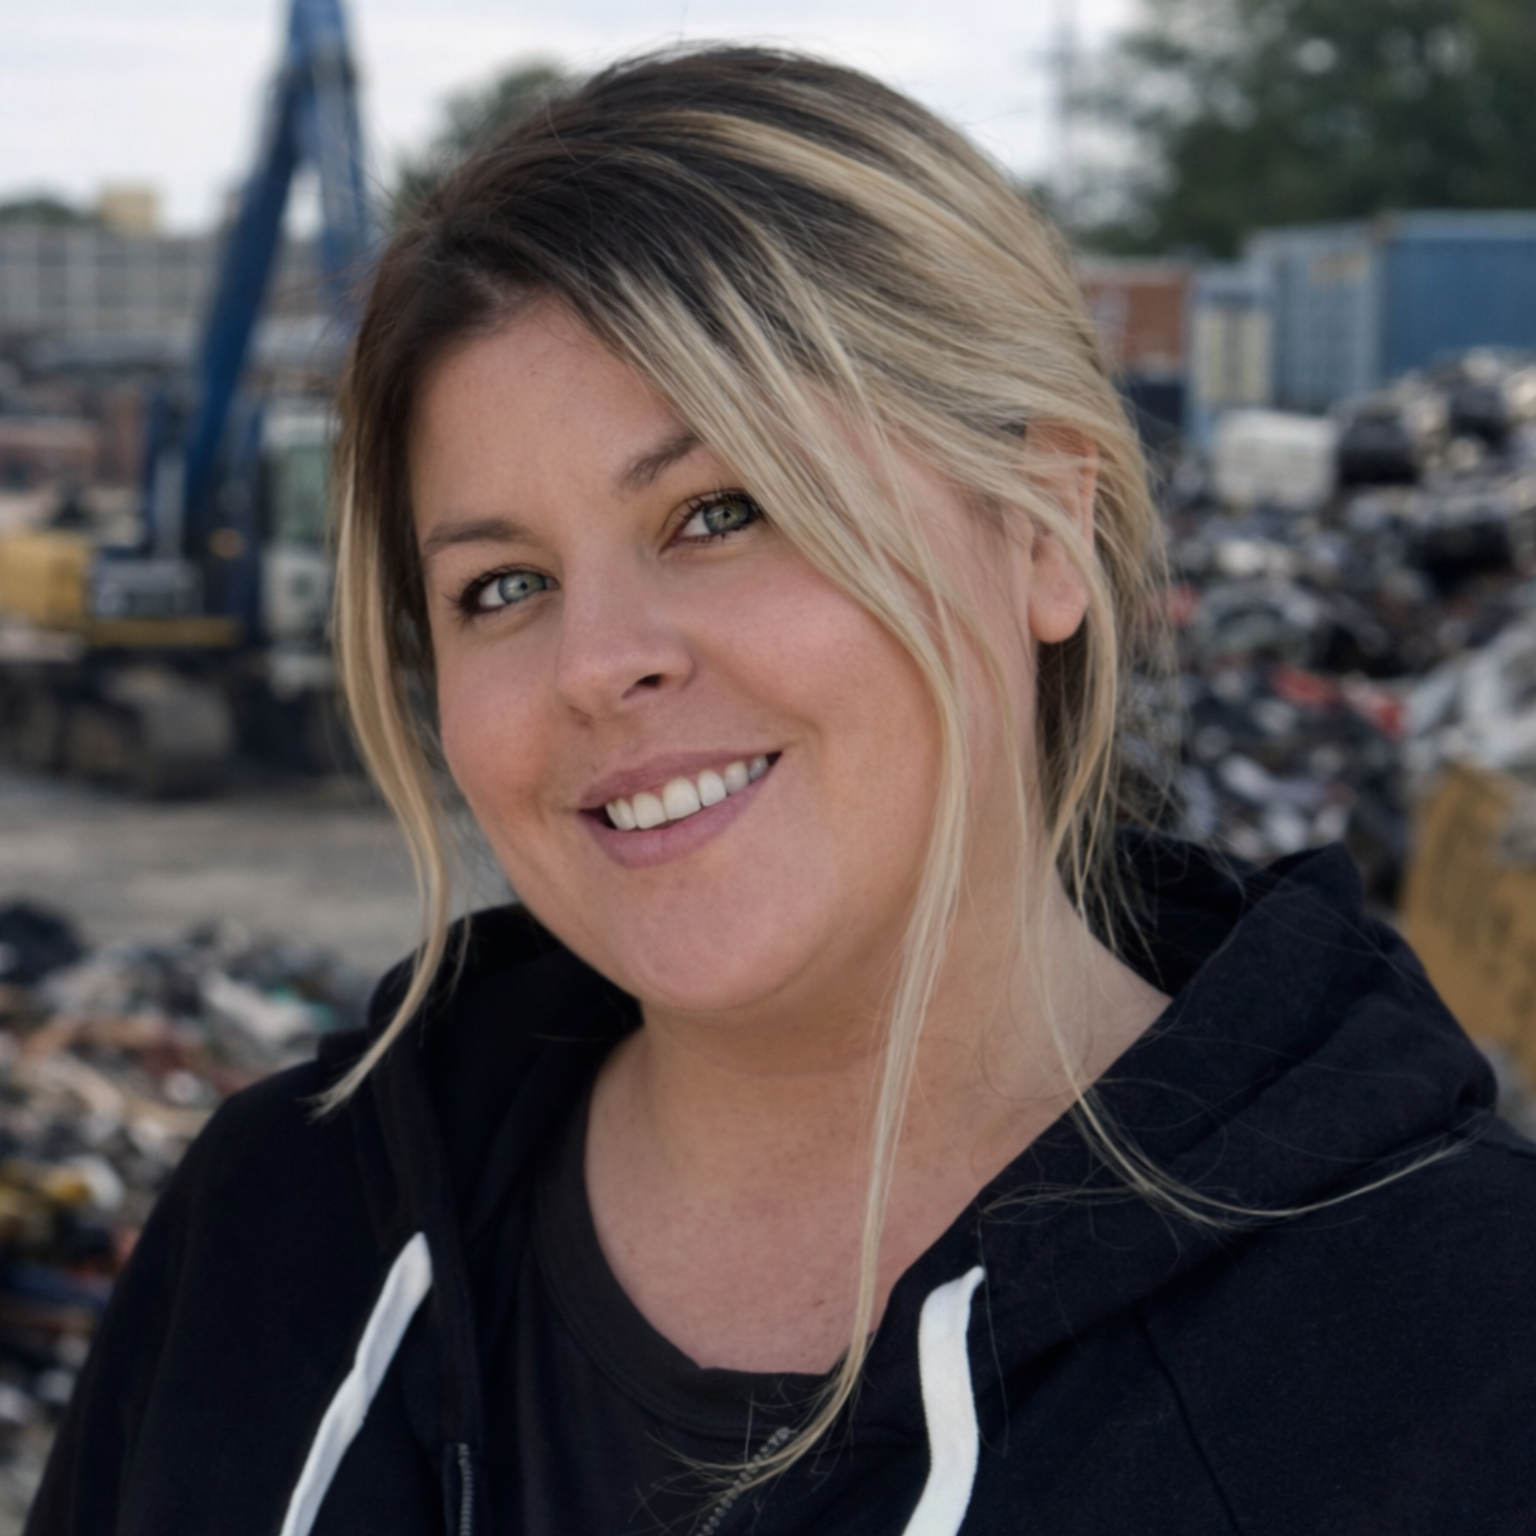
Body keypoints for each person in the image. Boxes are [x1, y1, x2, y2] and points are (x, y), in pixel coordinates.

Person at [27, 46, 1536, 1536]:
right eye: (501, 585)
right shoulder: (278, 1237)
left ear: (1043, 532)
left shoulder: (1452, 1352)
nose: (595, 663)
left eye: (720, 510)